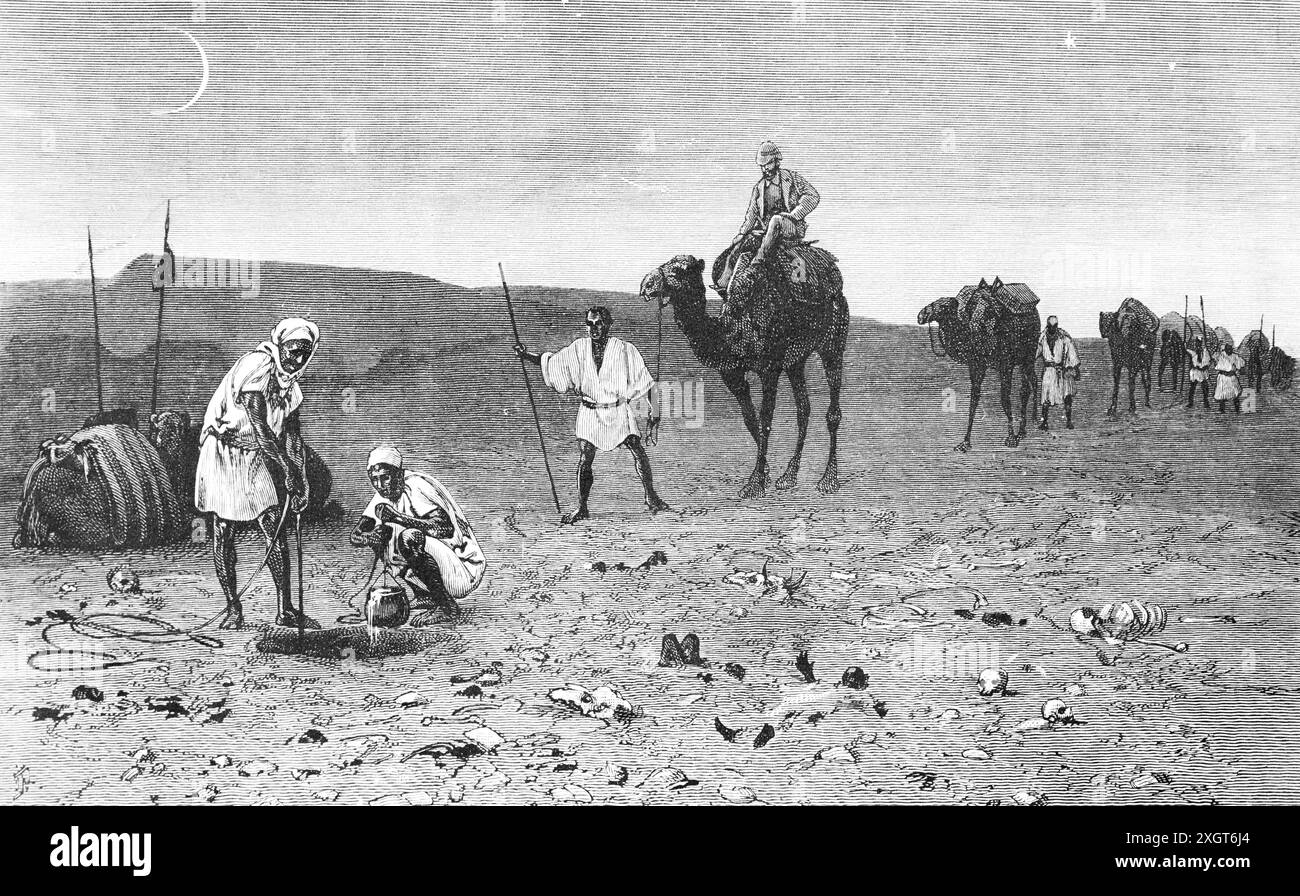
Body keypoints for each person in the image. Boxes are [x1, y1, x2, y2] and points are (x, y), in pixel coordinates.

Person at [195, 318, 320, 630]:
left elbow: (292, 437)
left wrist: (300, 476)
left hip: (254, 454)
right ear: (280, 346)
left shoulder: (292, 388)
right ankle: (232, 608)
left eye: (305, 352)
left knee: (274, 525)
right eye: (294, 350)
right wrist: (286, 469)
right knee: (223, 530)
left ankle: (285, 610)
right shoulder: (258, 365)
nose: (299, 358)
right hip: (224, 451)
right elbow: (260, 426)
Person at [514, 306, 668, 524]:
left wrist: (656, 411)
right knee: (586, 458)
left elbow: (646, 382)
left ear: (607, 324)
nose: (594, 329)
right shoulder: (578, 349)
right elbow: (552, 363)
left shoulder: (625, 350)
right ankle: (582, 508)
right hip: (590, 411)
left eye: (598, 324)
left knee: (636, 448)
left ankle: (651, 497)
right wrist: (525, 355)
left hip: (617, 410)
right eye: (590, 324)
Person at [350, 445, 485, 627]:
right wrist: (369, 538)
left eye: (385, 478)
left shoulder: (417, 485)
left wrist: (398, 517)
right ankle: (424, 595)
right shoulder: (383, 494)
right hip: (441, 565)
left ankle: (447, 607)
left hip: (461, 568)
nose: (380, 486)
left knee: (409, 537)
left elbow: (445, 529)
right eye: (374, 480)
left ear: (398, 474)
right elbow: (356, 535)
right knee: (382, 534)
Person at [714, 141, 820, 296]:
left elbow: (813, 196)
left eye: (768, 164)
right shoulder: (759, 187)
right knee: (738, 246)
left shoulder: (791, 178)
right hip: (766, 232)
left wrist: (795, 215)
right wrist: (741, 234)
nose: (765, 169)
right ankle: (725, 284)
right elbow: (751, 214)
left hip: (788, 226)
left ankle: (758, 263)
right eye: (762, 166)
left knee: (776, 220)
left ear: (776, 161)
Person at [1035, 315, 1080, 430]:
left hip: (1062, 370)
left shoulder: (1064, 337)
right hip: (1049, 371)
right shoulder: (1042, 338)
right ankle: (1044, 422)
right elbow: (1036, 352)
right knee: (1046, 397)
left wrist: (1072, 368)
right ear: (1047, 325)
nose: (1052, 328)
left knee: (1067, 396)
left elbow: (1072, 353)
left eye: (1054, 326)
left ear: (1057, 326)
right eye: (1050, 326)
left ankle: (1069, 421)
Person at [1213, 338, 1246, 414]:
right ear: (1225, 349)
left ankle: (1237, 409)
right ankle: (1222, 409)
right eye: (1227, 349)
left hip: (1231, 377)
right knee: (1222, 393)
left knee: (1235, 393)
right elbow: (1214, 358)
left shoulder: (1235, 356)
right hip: (1223, 377)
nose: (1229, 350)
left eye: (1230, 349)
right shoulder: (1221, 355)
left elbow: (1241, 364)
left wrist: (1240, 368)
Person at [1185, 335, 1211, 409]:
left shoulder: (1205, 352)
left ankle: (1206, 402)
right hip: (1195, 372)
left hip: (1202, 372)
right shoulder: (1193, 352)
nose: (1198, 345)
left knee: (1205, 388)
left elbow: (1208, 362)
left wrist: (1204, 367)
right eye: (1197, 343)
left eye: (1199, 343)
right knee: (1192, 387)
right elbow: (1186, 350)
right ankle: (1190, 402)